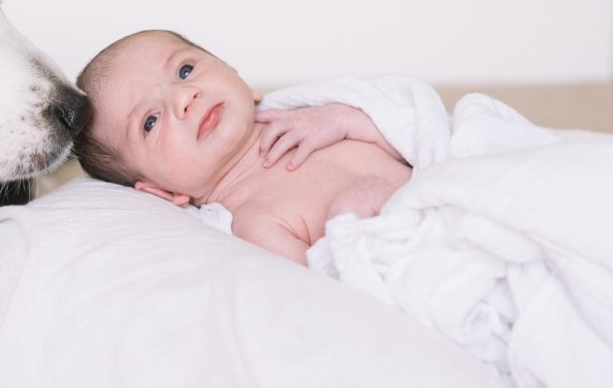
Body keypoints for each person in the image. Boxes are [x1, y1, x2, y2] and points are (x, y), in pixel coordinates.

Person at [73, 29, 412, 265]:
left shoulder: (316, 115)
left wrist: (345, 119)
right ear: (161, 191)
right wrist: (352, 217)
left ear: (236, 75)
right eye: (150, 120)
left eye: (185, 70)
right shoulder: (255, 223)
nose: (183, 97)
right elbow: (322, 287)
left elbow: (411, 132)